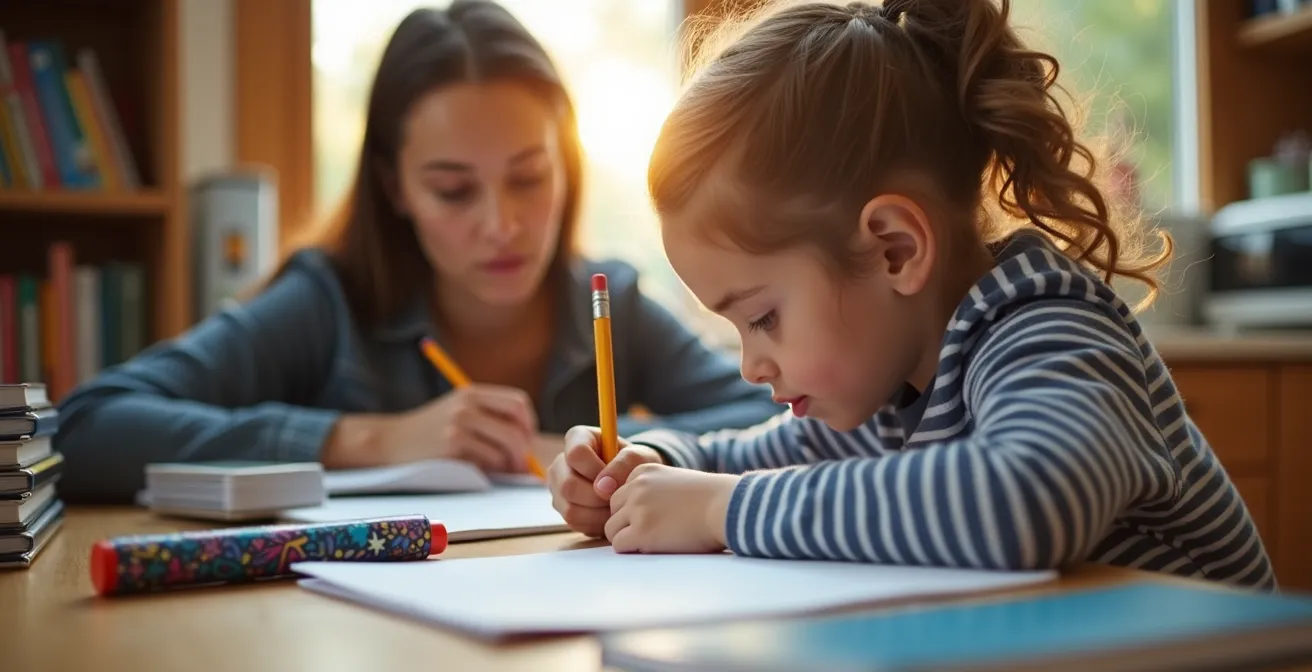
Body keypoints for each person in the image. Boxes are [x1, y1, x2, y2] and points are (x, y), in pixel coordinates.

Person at [547, 0, 1276, 591]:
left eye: (763, 317)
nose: (751, 365)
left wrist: (721, 510)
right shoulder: (888, 390)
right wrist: (639, 461)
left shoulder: (1047, 324)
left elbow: (1023, 502)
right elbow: (739, 453)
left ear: (895, 249)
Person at [54, 0, 781, 502]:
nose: (503, 224)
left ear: (567, 165)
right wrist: (371, 439)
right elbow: (86, 430)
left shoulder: (606, 302)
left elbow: (795, 417)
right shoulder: (327, 302)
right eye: (454, 191)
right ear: (394, 187)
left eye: (529, 178)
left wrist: (587, 443)